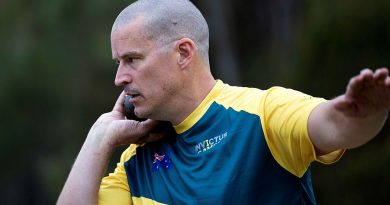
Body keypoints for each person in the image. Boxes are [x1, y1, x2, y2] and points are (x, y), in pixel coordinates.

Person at [57, 0, 390, 204]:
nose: (120, 78)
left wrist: (365, 112)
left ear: (183, 53)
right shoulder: (136, 160)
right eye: (118, 62)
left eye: (132, 59)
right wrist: (99, 138)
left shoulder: (259, 114)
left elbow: (336, 125)